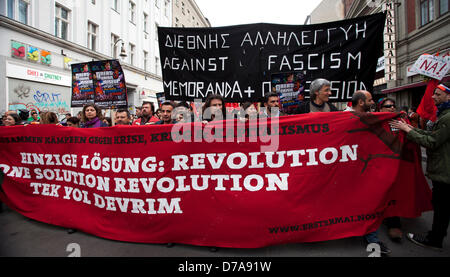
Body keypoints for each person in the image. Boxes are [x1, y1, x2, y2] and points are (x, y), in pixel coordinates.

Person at [390, 82, 450, 250]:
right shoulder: (444, 115)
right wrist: (410, 128)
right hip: (443, 170)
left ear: (448, 96)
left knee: (441, 207)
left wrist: (408, 131)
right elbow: (432, 134)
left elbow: (432, 141)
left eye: (438, 94)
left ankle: (434, 240)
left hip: (444, 171)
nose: (433, 97)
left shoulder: (447, 117)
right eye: (434, 93)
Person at [376, 97, 403, 242]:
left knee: (393, 192)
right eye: (388, 106)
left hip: (394, 165)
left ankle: (394, 223)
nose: (392, 108)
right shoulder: (373, 122)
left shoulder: (401, 122)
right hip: (376, 165)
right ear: (380, 109)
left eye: (393, 105)